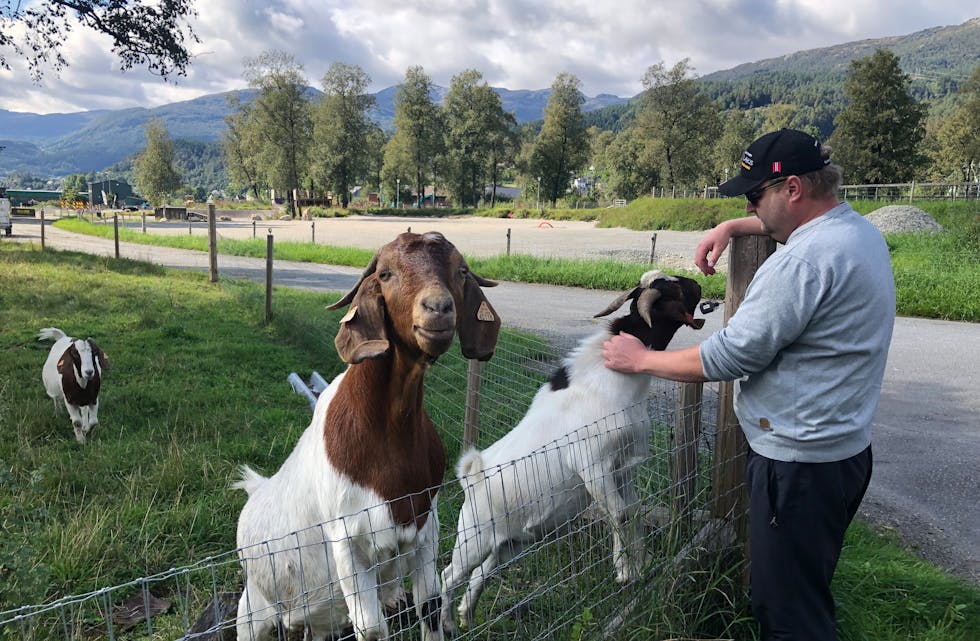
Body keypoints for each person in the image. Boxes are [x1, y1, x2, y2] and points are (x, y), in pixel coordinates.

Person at [601, 128, 896, 641]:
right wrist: (734, 225)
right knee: (806, 588)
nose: (751, 204)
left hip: (798, 466)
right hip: (841, 453)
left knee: (788, 615)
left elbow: (731, 354)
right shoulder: (857, 233)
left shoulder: (802, 263)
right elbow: (784, 230)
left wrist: (642, 358)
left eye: (755, 194)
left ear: (794, 189)